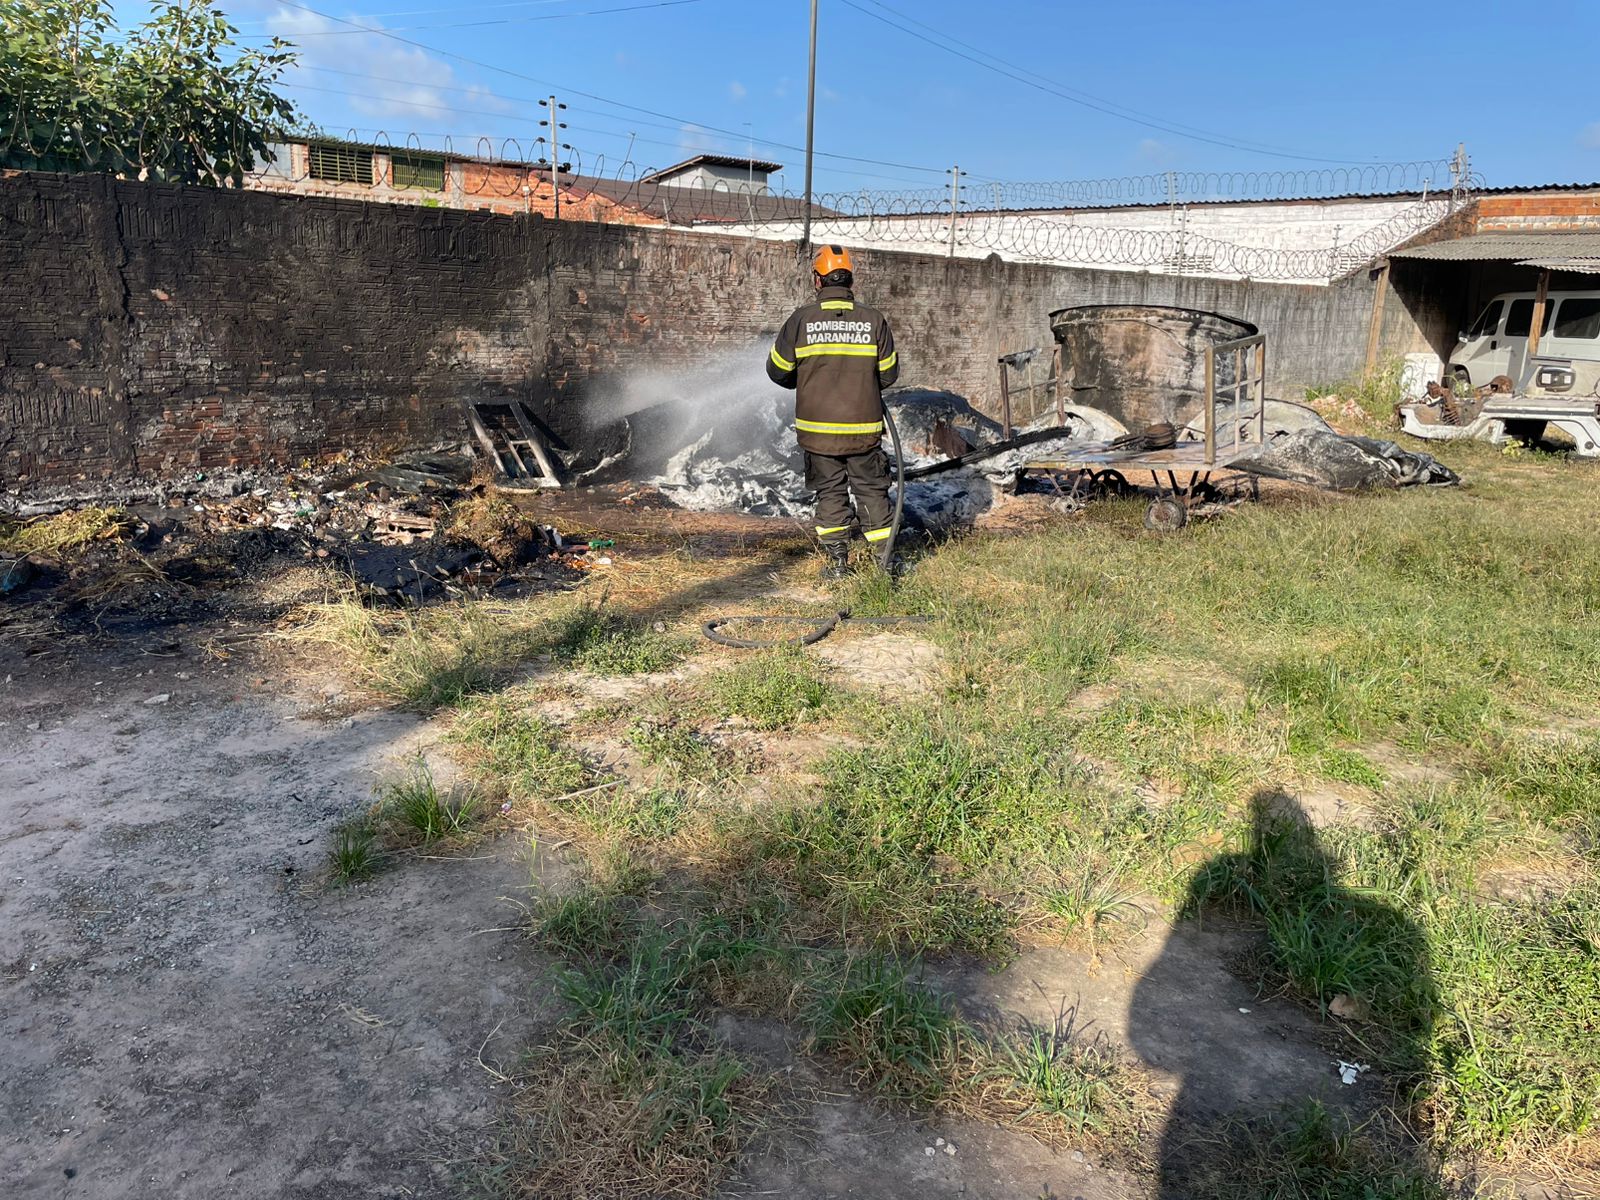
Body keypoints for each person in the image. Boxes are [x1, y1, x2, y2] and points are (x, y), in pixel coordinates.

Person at [766, 245, 902, 579]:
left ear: (818, 280)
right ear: (850, 280)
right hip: (863, 428)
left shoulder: (800, 320)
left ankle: (838, 564)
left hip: (818, 432)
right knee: (872, 491)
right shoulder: (874, 320)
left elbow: (777, 370)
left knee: (830, 492)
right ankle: (883, 563)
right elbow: (889, 373)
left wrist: (811, 380)